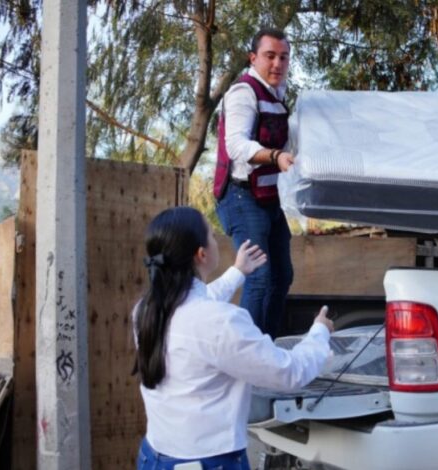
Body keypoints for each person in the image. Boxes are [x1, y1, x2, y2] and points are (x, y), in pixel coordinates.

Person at [133, 206, 333, 470]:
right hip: (206, 463)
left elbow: (199, 305)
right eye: (212, 235)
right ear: (201, 254)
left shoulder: (147, 309)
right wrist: (319, 333)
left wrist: (237, 272)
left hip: (153, 457)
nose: (217, 239)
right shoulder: (219, 321)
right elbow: (289, 372)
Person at [214, 28, 295, 338]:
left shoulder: (279, 94)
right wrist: (276, 156)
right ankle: (246, 353)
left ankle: (267, 346)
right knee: (259, 276)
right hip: (241, 197)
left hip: (269, 198)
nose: (277, 63)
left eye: (283, 57)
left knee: (282, 276)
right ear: (253, 58)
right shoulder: (243, 92)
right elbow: (236, 146)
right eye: (270, 56)